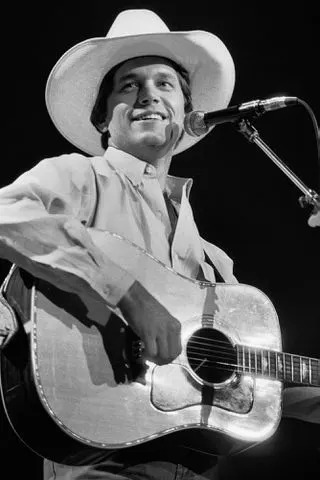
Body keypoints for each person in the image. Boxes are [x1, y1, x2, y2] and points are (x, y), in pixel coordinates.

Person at [0, 8, 318, 480]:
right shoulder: (78, 176)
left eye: (164, 84)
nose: (148, 94)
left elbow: (252, 374)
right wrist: (128, 292)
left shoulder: (213, 258)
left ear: (189, 117)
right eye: (129, 86)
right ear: (103, 120)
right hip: (96, 459)